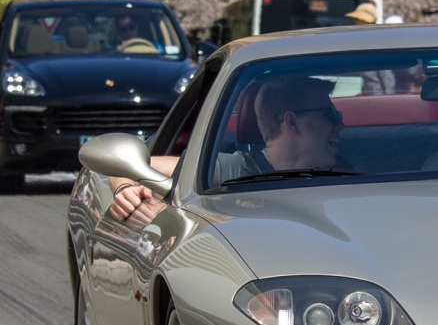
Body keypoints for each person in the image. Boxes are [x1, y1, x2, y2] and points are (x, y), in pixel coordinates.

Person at [108, 76, 347, 221]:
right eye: (330, 115)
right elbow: (127, 166)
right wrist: (126, 191)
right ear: (292, 122)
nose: (340, 126)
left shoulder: (349, 175)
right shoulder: (232, 169)